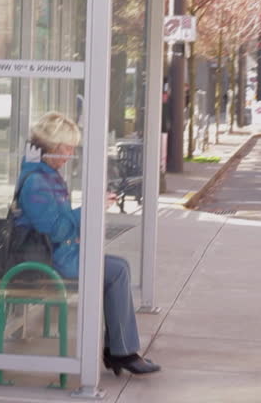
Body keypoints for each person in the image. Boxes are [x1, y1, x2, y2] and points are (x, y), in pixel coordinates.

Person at [14, 112, 160, 376]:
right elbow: (56, 229)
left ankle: (120, 350)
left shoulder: (45, 176)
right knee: (116, 271)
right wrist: (91, 208)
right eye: (67, 148)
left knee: (118, 268)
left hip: (54, 256)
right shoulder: (37, 181)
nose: (71, 154)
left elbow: (58, 224)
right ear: (52, 147)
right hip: (45, 263)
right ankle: (121, 352)